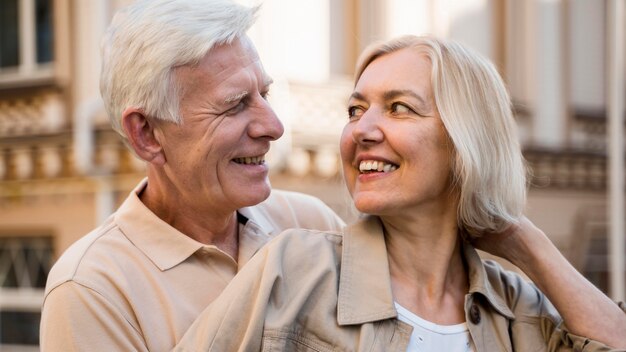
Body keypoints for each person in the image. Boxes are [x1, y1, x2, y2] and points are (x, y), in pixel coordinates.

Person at [174, 35, 626, 351]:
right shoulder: (291, 271)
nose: (362, 130)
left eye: (399, 108)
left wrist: (525, 242)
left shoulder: (516, 308)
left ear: (465, 141)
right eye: (356, 109)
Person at [39, 0, 345, 350]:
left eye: (265, 93)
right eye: (234, 104)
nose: (273, 127)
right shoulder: (92, 289)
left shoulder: (312, 225)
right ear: (146, 134)